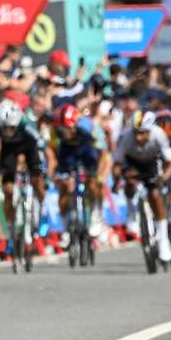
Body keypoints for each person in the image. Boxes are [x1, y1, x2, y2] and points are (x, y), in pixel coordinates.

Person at [112, 111, 171, 262]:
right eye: (136, 133)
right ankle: (132, 215)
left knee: (155, 195)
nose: (139, 137)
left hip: (151, 164)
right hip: (132, 163)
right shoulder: (126, 137)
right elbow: (117, 164)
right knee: (129, 182)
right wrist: (117, 180)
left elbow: (170, 162)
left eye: (143, 133)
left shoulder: (158, 135)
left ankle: (163, 239)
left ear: (150, 130)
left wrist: (163, 178)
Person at [0, 98, 48, 241]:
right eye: (4, 129)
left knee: (37, 180)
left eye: (11, 128)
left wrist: (43, 172)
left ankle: (42, 211)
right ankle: (10, 228)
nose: (8, 132)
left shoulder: (26, 125)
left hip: (28, 146)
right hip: (9, 151)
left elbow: (43, 150)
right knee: (7, 190)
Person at [51, 103, 102, 246]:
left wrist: (95, 173)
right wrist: (57, 174)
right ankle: (66, 226)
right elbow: (54, 154)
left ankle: (95, 212)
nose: (64, 132)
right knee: (64, 188)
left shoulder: (86, 129)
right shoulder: (56, 133)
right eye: (62, 129)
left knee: (92, 183)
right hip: (66, 155)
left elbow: (99, 154)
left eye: (67, 128)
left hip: (86, 153)